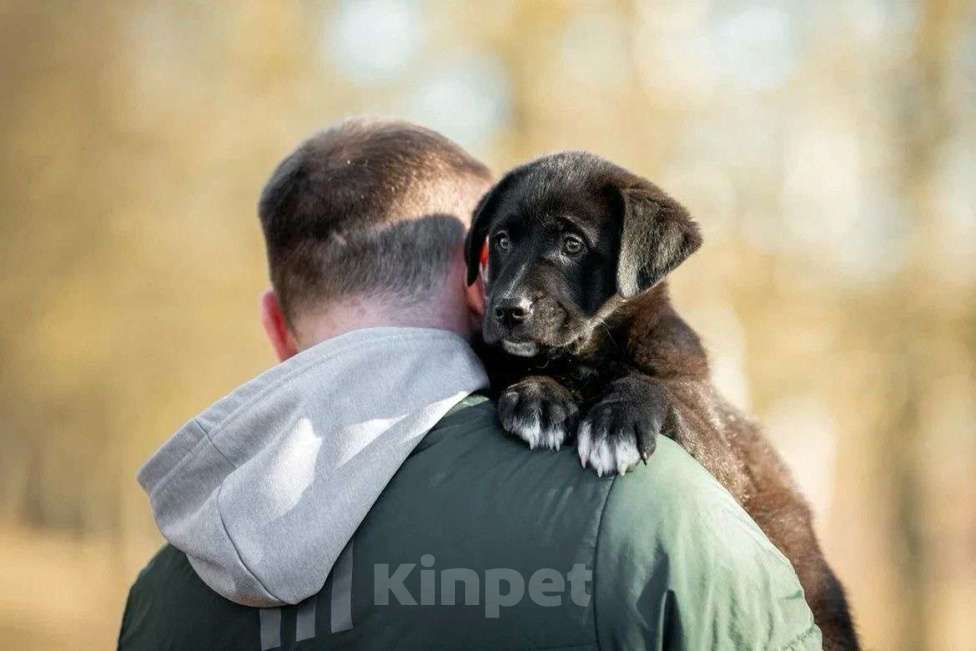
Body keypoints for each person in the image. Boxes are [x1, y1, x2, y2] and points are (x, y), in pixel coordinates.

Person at [118, 119, 821, 650]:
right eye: (506, 247)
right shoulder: (647, 513)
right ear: (481, 283)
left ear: (276, 325)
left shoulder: (161, 593)